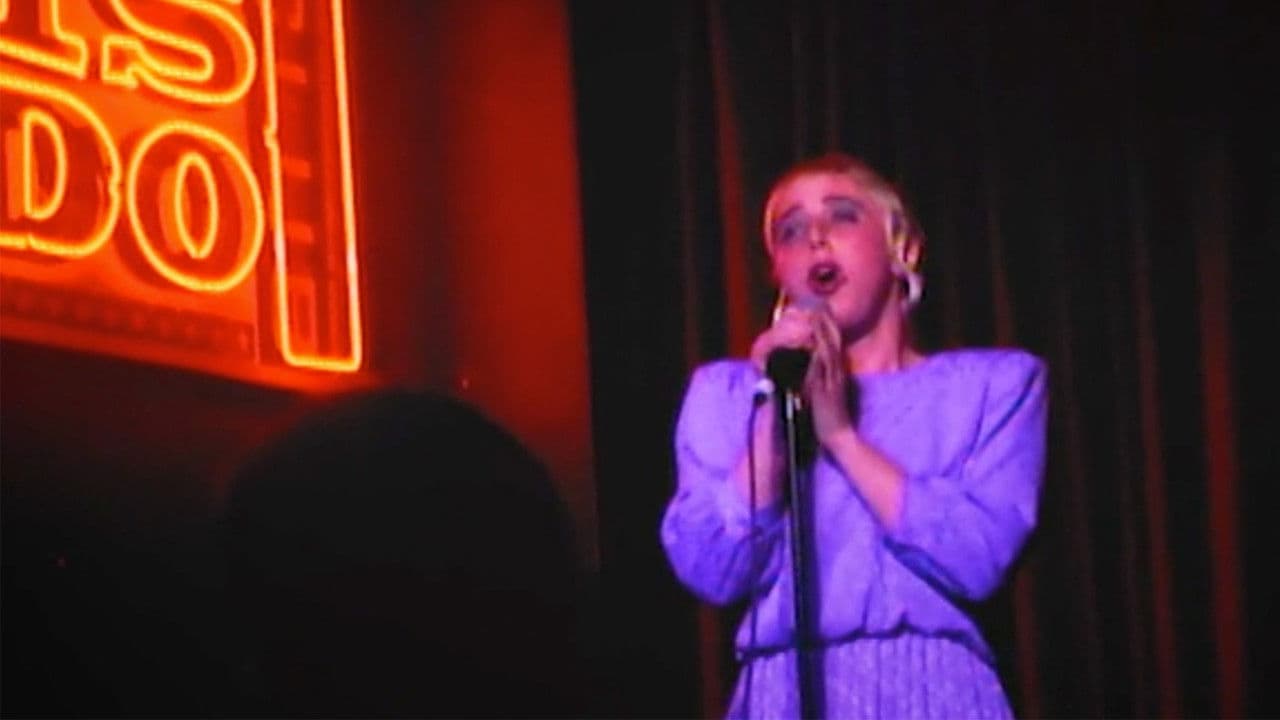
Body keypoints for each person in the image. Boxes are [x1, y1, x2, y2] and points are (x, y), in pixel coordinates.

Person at [661, 152, 1047, 718]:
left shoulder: (992, 387)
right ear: (778, 272)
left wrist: (840, 435)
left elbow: (978, 556)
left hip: (931, 691)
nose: (815, 238)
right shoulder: (725, 395)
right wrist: (774, 413)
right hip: (781, 692)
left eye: (842, 216)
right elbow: (713, 570)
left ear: (901, 249)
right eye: (790, 230)